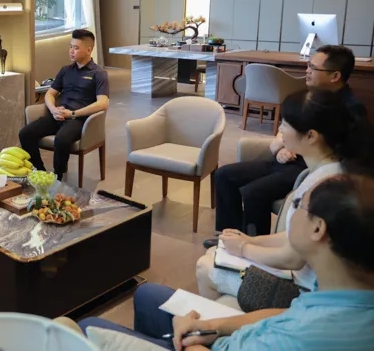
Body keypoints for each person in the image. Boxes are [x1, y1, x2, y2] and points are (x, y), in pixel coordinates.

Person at [78, 173, 374, 351]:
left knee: (84, 326)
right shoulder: (344, 289)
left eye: (298, 205)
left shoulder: (305, 336)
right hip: (225, 338)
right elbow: (288, 312)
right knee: (147, 293)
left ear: (318, 228)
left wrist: (191, 339)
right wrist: (213, 326)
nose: (292, 213)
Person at [197, 89, 370, 300]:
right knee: (215, 255)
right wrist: (251, 240)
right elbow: (292, 236)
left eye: (285, 124)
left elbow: (292, 259)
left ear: (311, 136)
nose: (280, 129)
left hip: (302, 290)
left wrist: (244, 248)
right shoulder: (326, 172)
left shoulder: (324, 186)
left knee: (205, 266)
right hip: (301, 277)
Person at [208, 44, 367, 244]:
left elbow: (342, 154)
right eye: (308, 65)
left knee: (254, 193)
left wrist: (292, 149)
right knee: (225, 175)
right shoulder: (311, 96)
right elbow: (285, 130)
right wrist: (281, 148)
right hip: (287, 160)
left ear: (335, 76)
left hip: (306, 167)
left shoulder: (350, 110)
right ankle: (226, 236)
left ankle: (253, 243)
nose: (307, 71)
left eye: (313, 67)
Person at [18, 29, 109, 180]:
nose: (71, 51)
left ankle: (57, 178)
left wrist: (73, 114)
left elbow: (103, 103)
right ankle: (40, 171)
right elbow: (50, 94)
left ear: (88, 50)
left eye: (76, 48)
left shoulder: (98, 73)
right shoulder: (65, 70)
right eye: (70, 46)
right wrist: (54, 110)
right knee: (25, 133)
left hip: (79, 119)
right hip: (59, 115)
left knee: (62, 139)